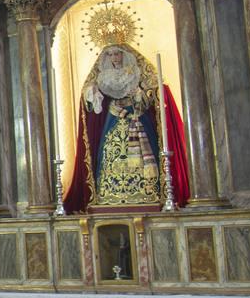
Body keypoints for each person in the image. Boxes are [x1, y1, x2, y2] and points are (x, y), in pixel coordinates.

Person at [63, 44, 189, 211]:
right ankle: (110, 193)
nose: (114, 57)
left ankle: (148, 191)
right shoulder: (103, 76)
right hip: (113, 119)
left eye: (117, 54)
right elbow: (90, 99)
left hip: (136, 117)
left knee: (145, 153)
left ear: (124, 55)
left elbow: (154, 92)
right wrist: (91, 93)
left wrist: (140, 94)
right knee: (109, 152)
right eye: (110, 54)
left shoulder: (135, 71)